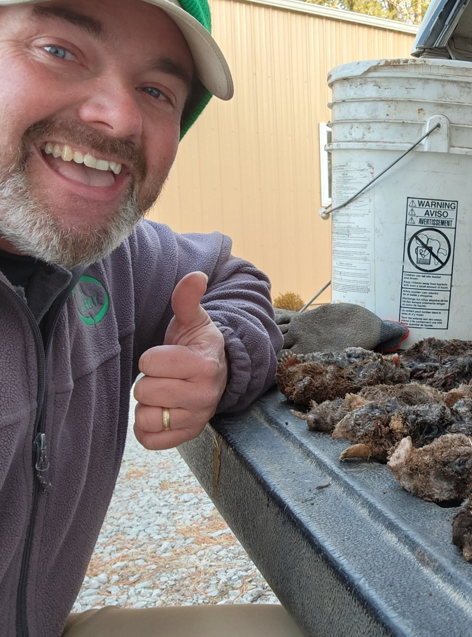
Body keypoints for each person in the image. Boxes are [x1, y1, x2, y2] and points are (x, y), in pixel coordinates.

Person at [0, 0, 302, 634]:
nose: (118, 118)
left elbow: (230, 278)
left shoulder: (109, 257)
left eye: (156, 90)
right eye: (59, 50)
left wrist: (219, 352)